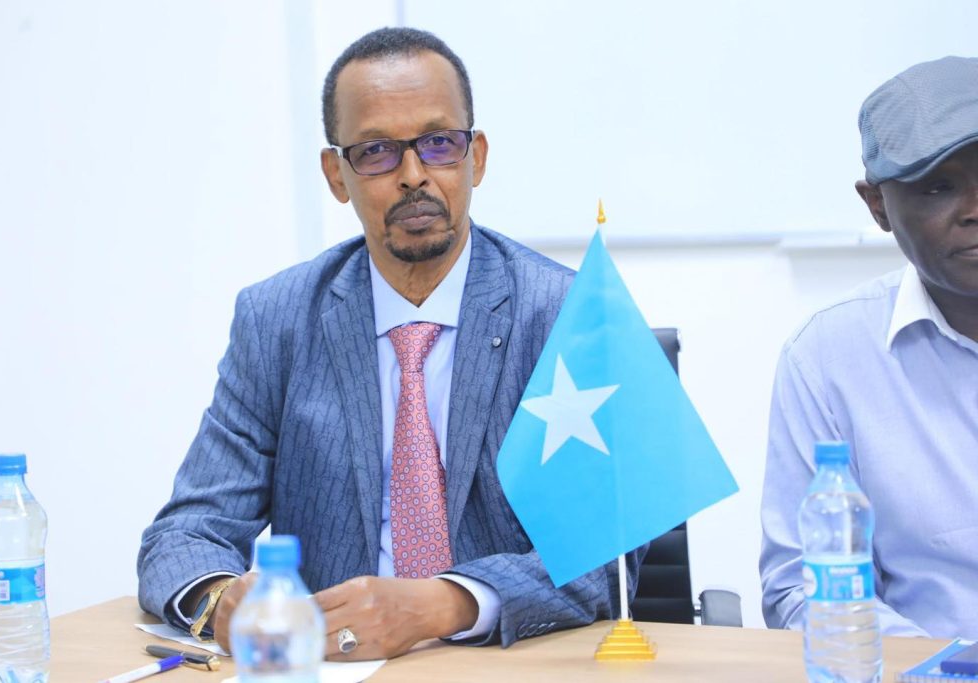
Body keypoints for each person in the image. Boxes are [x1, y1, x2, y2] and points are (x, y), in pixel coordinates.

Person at [137, 27, 641, 661]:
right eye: (376, 151)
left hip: (507, 664)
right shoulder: (277, 320)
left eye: (439, 143)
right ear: (336, 175)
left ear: (477, 157)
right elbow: (184, 534)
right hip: (333, 665)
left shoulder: (568, 315)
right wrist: (219, 598)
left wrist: (445, 603)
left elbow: (606, 559)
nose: (413, 176)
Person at [759, 56, 978, 638]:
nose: (975, 211)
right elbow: (804, 588)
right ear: (878, 206)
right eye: (939, 186)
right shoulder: (828, 357)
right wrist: (947, 668)